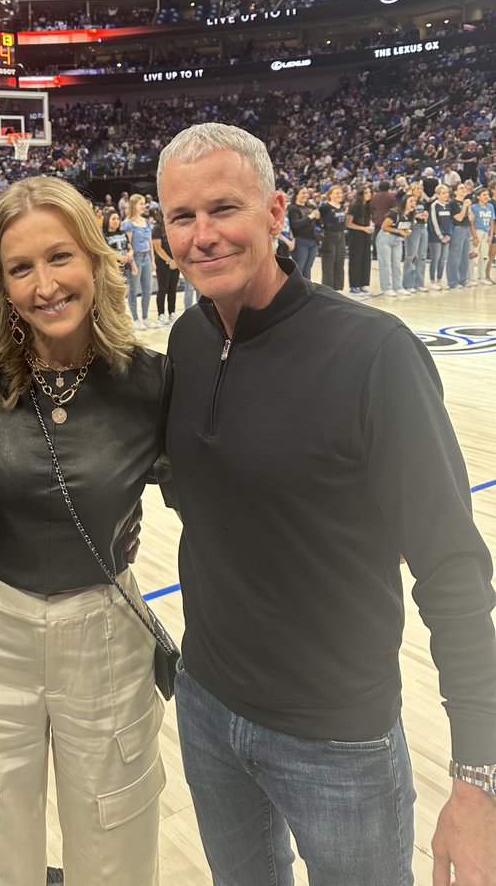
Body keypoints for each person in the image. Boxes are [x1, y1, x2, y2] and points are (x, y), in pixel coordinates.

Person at [157, 122, 496, 886]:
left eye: (224, 209)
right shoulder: (184, 341)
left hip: (338, 737)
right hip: (206, 706)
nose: (203, 236)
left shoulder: (374, 354)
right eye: (182, 217)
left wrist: (479, 778)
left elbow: (451, 568)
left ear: (276, 211)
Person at [0, 177, 168, 886]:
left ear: (96, 260)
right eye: (20, 268)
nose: (45, 285)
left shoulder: (154, 383)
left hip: (104, 632)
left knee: (117, 841)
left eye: (60, 257)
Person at [121, 193, 156, 328]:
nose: (144, 206)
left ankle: (145, 317)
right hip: (134, 259)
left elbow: (150, 242)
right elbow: (128, 245)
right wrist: (133, 263)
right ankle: (135, 319)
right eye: (141, 203)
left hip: (146, 257)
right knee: (133, 290)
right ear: (134, 205)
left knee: (148, 289)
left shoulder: (146, 221)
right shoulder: (128, 224)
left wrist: (152, 261)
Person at [151, 205, 179, 325]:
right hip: (163, 263)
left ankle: (172, 312)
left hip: (175, 263)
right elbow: (158, 248)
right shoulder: (157, 228)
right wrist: (169, 261)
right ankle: (161, 314)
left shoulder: (173, 227)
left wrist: (177, 261)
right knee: (163, 288)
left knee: (173, 289)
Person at [344, 183, 373, 295]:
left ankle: (362, 284)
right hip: (356, 235)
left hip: (366, 234)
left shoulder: (367, 206)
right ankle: (354, 285)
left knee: (365, 259)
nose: (369, 194)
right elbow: (348, 223)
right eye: (366, 193)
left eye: (369, 192)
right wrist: (363, 228)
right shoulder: (354, 205)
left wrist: (368, 228)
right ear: (361, 194)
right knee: (356, 260)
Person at [286, 186, 319, 280]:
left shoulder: (310, 206)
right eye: (303, 193)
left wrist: (317, 217)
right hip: (300, 240)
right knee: (299, 268)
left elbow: (318, 223)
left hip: (313, 240)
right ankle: (297, 292)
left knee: (308, 267)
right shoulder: (292, 208)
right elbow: (295, 224)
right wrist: (310, 216)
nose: (306, 195)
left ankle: (307, 290)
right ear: (296, 195)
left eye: (306, 193)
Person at [317, 184, 346, 291]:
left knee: (339, 262)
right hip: (329, 236)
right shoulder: (325, 208)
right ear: (330, 195)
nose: (340, 195)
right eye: (337, 193)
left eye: (341, 193)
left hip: (341, 235)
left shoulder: (342, 206)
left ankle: (338, 288)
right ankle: (327, 289)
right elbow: (318, 221)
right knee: (328, 263)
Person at [470, 187, 495, 285]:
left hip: (486, 232)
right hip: (477, 231)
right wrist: (474, 236)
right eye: (484, 195)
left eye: (487, 195)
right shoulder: (474, 207)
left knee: (484, 256)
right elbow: (471, 222)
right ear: (478, 196)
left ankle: (482, 277)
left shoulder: (490, 206)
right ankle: (471, 278)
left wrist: (491, 235)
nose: (486, 197)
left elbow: (491, 221)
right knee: (473, 255)